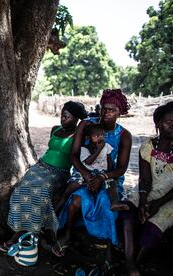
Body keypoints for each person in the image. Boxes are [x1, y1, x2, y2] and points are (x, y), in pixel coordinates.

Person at [3, 101, 88, 256]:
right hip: (40, 166)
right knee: (20, 189)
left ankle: (24, 234)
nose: (62, 119)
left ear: (76, 119)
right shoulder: (55, 129)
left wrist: (83, 126)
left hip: (59, 172)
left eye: (67, 117)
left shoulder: (78, 136)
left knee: (40, 192)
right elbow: (51, 150)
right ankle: (18, 229)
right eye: (62, 115)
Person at [57, 89, 132, 251]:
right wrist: (87, 175)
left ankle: (107, 244)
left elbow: (122, 168)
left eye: (112, 110)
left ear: (120, 112)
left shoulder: (124, 135)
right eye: (104, 108)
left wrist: (102, 177)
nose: (106, 113)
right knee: (77, 199)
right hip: (85, 173)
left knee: (106, 201)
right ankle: (67, 233)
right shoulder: (86, 125)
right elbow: (74, 155)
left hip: (108, 177)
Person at [122, 101, 173, 276]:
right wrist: (144, 201)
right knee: (128, 212)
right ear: (158, 124)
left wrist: (157, 204)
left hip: (171, 196)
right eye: (169, 121)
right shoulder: (148, 146)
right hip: (149, 189)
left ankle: (138, 261)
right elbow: (144, 179)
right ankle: (129, 261)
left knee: (154, 225)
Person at [55, 123, 128, 212]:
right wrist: (99, 149)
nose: (100, 137)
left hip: (100, 173)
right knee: (73, 185)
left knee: (112, 184)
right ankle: (60, 204)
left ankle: (115, 202)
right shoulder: (84, 149)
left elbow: (109, 162)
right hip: (85, 172)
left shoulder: (107, 147)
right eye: (96, 136)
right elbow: (89, 162)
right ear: (88, 138)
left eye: (102, 135)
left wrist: (106, 174)